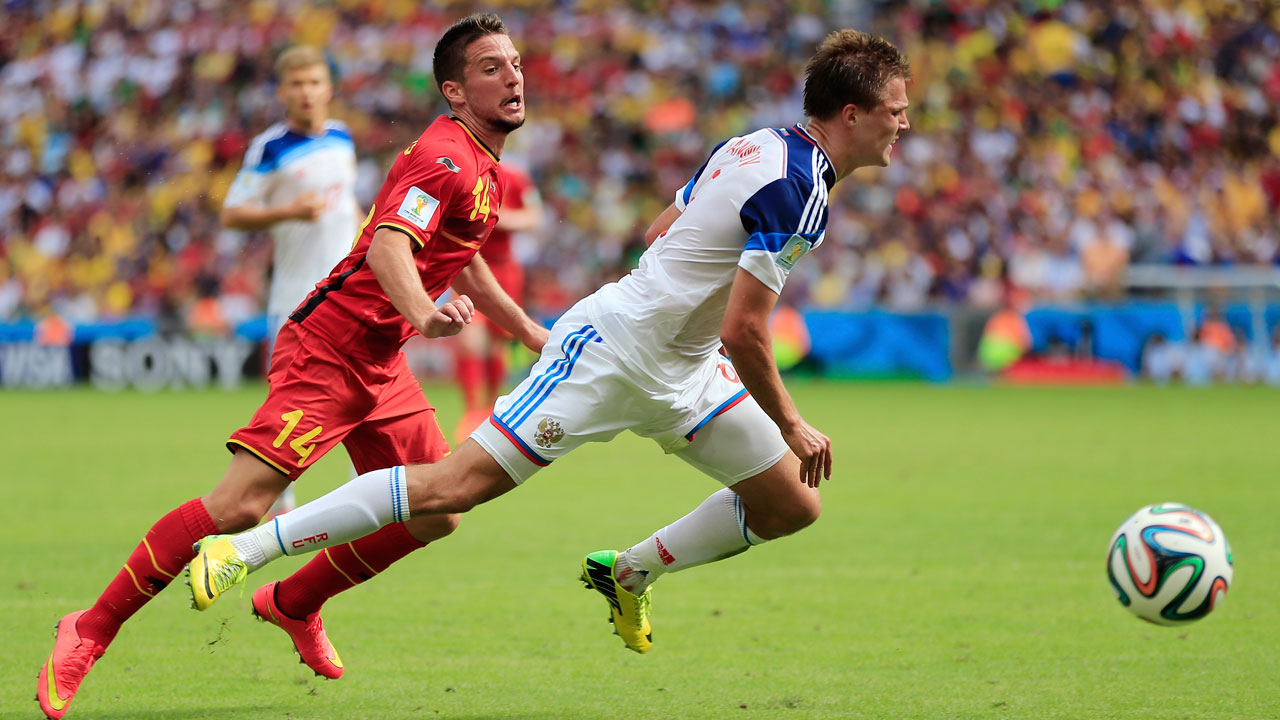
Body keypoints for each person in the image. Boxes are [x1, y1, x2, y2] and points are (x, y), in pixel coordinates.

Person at [191, 28, 911, 657]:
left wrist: (687, 324)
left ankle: (627, 572)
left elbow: (664, 228)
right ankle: (245, 549)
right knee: (453, 487)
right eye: (896, 111)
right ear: (852, 114)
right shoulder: (801, 189)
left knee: (789, 504)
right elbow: (747, 327)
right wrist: (791, 420)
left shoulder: (756, 144)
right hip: (614, 351)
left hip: (685, 368)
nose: (904, 125)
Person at [37, 13, 546, 719]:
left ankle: (293, 599)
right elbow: (388, 250)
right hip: (330, 348)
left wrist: (525, 329)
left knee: (440, 507)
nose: (514, 75)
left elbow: (458, 256)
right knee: (239, 505)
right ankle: (89, 627)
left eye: (515, 62)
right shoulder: (445, 156)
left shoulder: (481, 164)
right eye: (492, 67)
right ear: (455, 93)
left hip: (379, 358)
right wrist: (426, 317)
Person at [221, 45, 361, 519]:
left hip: (351, 296)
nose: (306, 92)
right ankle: (277, 506)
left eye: (315, 82)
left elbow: (348, 210)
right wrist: (290, 211)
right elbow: (233, 212)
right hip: (296, 300)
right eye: (297, 84)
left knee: (366, 393)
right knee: (288, 406)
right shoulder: (270, 147)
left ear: (329, 88)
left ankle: (364, 499)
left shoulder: (343, 138)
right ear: (282, 91)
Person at [453, 161, 543, 443]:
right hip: (467, 265)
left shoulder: (517, 176)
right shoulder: (464, 170)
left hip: (504, 270)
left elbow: (533, 217)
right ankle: (471, 411)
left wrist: (496, 217)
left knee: (496, 343)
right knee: (469, 335)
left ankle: (490, 408)